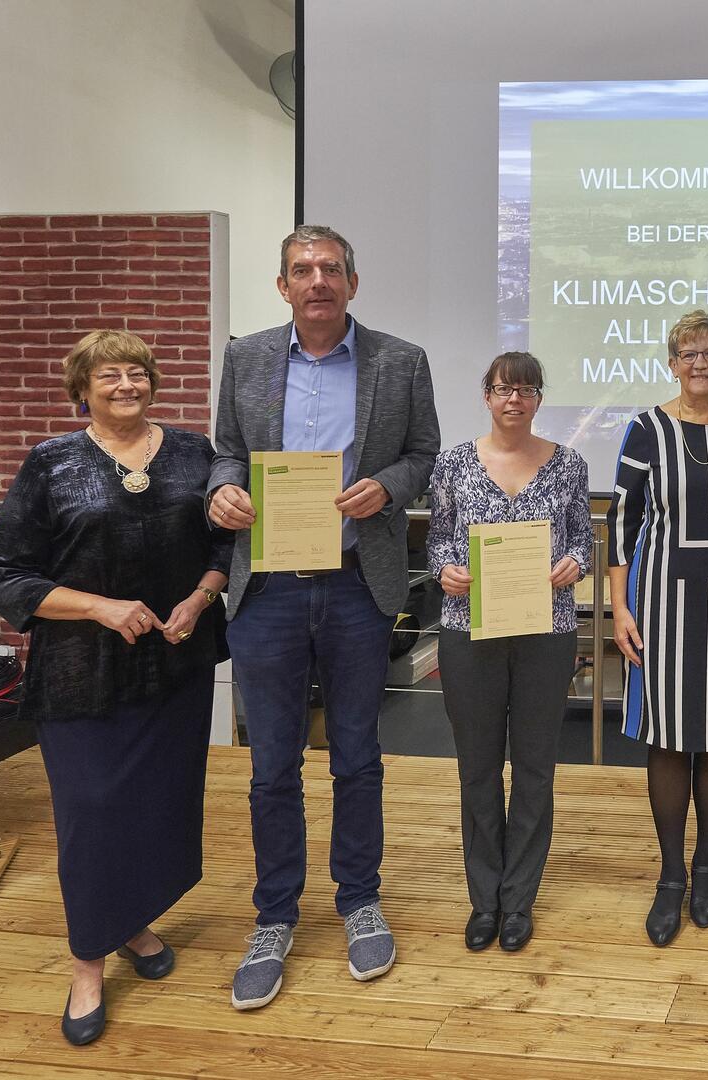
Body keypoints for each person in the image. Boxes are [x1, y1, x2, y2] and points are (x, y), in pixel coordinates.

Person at [208, 226, 439, 1009]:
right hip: (267, 591)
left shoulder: (400, 361)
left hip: (354, 586)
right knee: (271, 765)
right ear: (283, 286)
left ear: (352, 282)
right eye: (302, 270)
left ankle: (359, 900)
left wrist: (389, 486)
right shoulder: (245, 359)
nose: (317, 281)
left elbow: (424, 453)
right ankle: (274, 916)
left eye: (331, 269)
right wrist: (222, 489)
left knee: (357, 757)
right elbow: (226, 451)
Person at [0, 330, 231, 1045]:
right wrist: (100, 607)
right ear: (82, 389)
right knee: (91, 815)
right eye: (109, 375)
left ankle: (131, 923)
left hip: (174, 668)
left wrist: (201, 598)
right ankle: (87, 964)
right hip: (80, 676)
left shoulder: (193, 453)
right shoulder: (51, 462)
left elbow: (224, 545)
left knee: (156, 808)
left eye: (137, 372)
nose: (127, 385)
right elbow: (5, 575)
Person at [607, 311, 708, 947]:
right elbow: (622, 523)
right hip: (660, 603)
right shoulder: (645, 429)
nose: (699, 362)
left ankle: (707, 863)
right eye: (687, 352)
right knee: (668, 737)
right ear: (671, 363)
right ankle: (671, 873)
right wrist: (620, 608)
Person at [428, 352, 590, 953]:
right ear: (487, 396)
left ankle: (518, 898)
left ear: (539, 398)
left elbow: (583, 540)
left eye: (525, 390)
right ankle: (484, 899)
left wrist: (576, 563)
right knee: (476, 768)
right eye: (503, 389)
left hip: (546, 632)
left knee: (534, 767)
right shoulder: (452, 463)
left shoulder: (569, 464)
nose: (514, 399)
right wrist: (444, 570)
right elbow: (437, 540)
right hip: (469, 631)